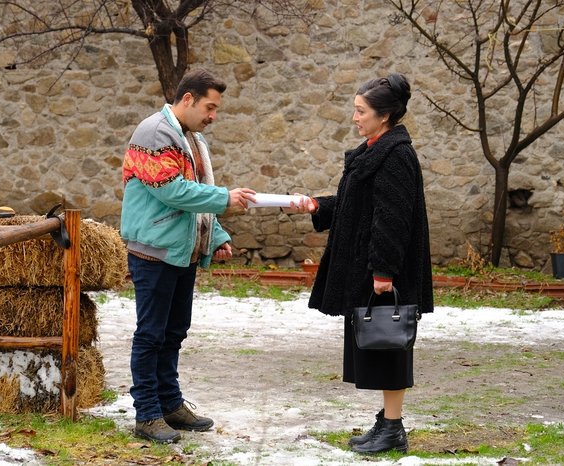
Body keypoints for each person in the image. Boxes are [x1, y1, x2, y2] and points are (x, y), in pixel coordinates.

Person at [285, 73, 433, 454]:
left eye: (361, 111)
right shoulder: (376, 150)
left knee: (390, 347)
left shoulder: (396, 155)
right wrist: (317, 206)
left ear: (384, 116)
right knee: (380, 348)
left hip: (385, 272)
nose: (354, 118)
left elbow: (392, 219)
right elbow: (357, 205)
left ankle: (393, 428)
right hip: (372, 268)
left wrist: (383, 272)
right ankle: (387, 422)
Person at [120, 69, 256, 443]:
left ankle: (169, 404)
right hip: (154, 253)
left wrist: (217, 235)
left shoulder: (190, 137)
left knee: (174, 331)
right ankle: (147, 414)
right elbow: (172, 191)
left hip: (181, 252)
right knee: (151, 334)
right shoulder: (154, 133)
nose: (213, 116)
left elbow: (197, 192)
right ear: (188, 99)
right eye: (210, 107)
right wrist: (225, 199)